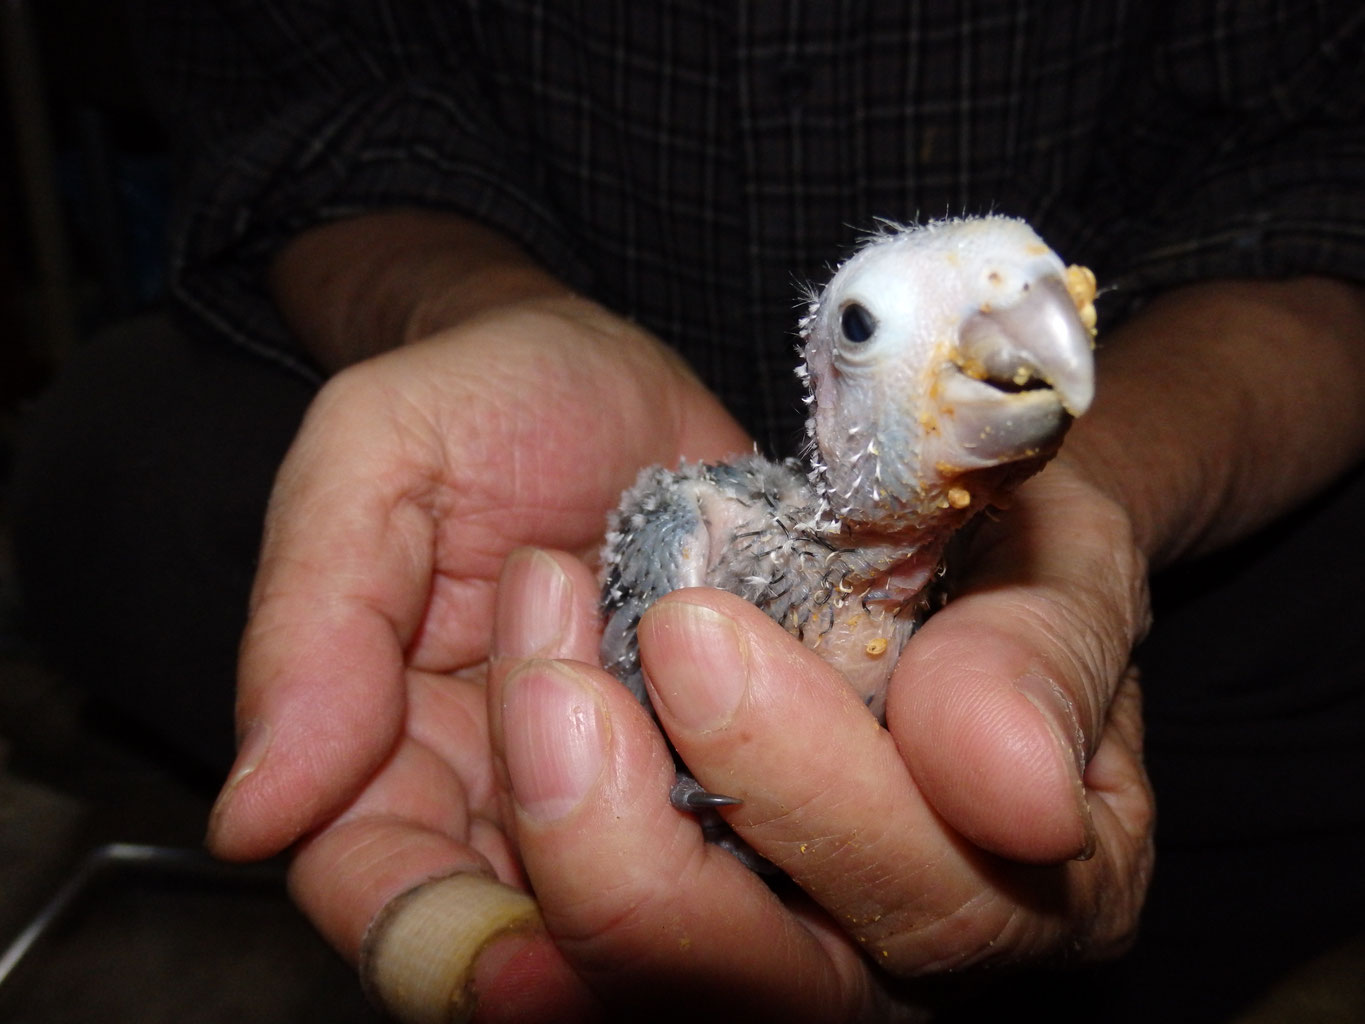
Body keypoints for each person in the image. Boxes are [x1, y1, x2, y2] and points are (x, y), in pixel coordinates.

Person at [15, 2, 1365, 1020]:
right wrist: (492, 315)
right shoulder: (703, 533)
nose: (992, 324)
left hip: (1194, 382)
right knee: (120, 467)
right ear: (827, 367)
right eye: (872, 325)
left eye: (1027, 294)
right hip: (541, 294)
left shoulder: (997, 551)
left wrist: (1100, 508)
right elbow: (306, 103)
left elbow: (1327, 163)